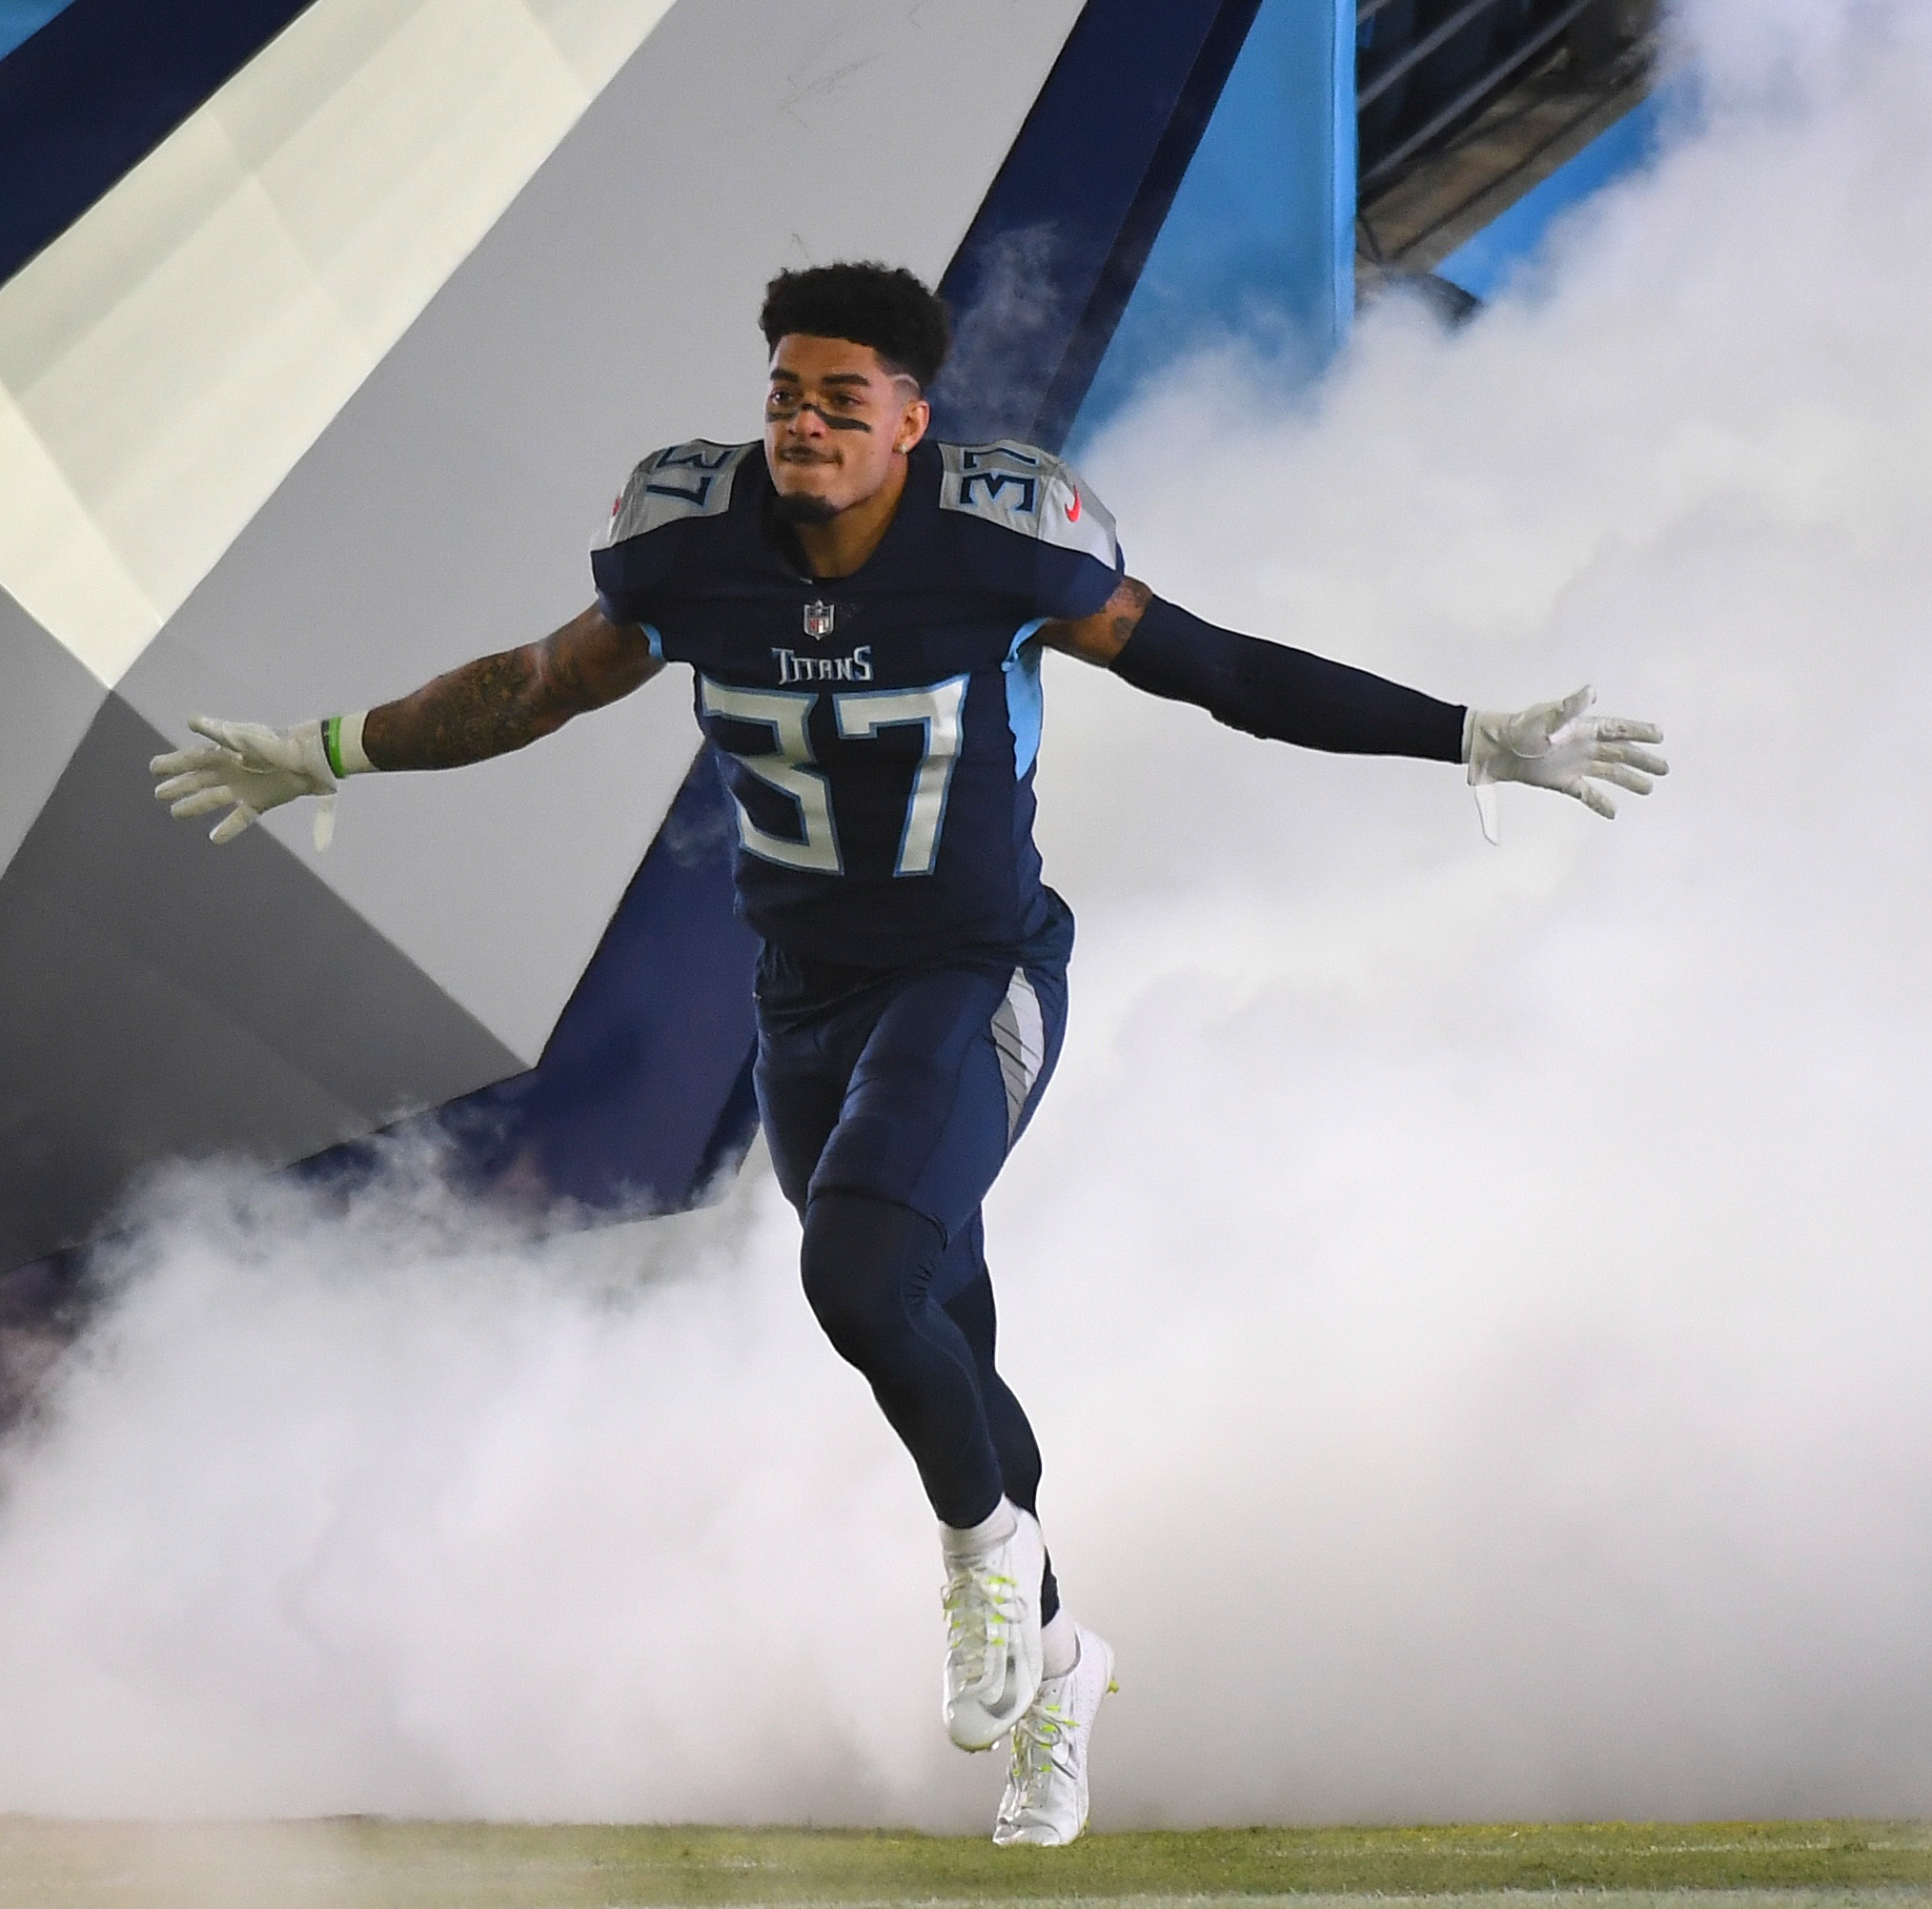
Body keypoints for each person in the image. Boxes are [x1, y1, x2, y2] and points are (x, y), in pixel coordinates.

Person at [147, 260, 1667, 1844]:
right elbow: (536, 686)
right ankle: (1062, 1661)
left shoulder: (1001, 545)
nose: (801, 424)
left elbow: (1223, 672)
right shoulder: (690, 543)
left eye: (839, 402)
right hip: (804, 996)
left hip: (975, 970)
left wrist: (1465, 732)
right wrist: (331, 746)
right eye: (785, 396)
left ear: (912, 422)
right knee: (941, 1342)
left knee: (861, 1276)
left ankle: (979, 1575)